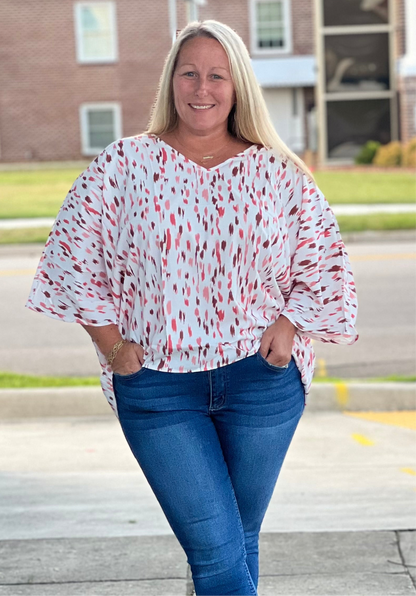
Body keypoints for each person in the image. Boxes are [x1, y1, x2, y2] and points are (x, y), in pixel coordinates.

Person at [26, 19, 358, 596]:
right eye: (189, 73)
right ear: (170, 81)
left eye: (216, 75)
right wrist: (111, 345)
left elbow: (325, 264)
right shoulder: (125, 165)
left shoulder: (277, 173)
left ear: (238, 87)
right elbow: (72, 255)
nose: (201, 88)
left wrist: (289, 325)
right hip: (156, 387)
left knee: (235, 542)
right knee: (216, 553)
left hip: (260, 383)